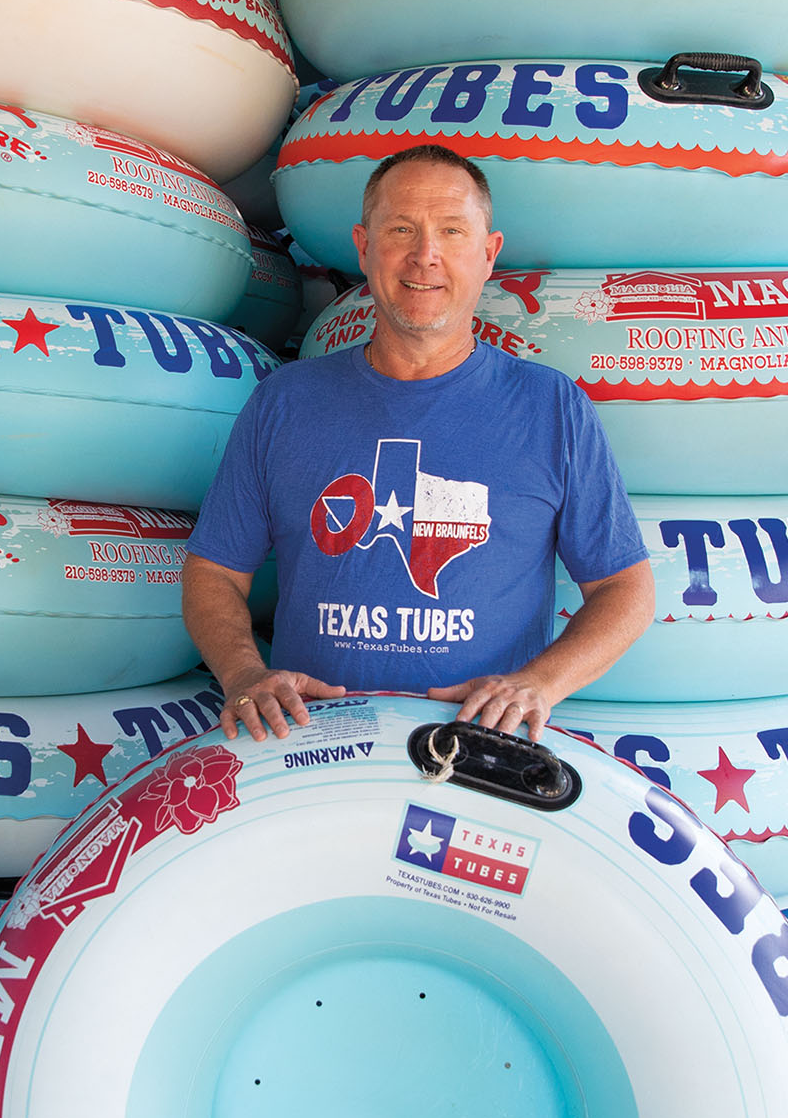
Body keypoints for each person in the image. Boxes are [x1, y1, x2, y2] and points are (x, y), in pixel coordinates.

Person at [185, 145, 654, 741]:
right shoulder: (285, 401)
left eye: (451, 232)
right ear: (362, 246)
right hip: (311, 753)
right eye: (401, 228)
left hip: (475, 751)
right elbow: (215, 570)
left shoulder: (552, 408)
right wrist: (244, 672)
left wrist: (541, 683)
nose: (425, 255)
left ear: (488, 254)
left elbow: (625, 587)